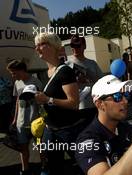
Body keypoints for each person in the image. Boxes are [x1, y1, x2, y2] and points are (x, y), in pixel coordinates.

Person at [75, 75, 132, 175]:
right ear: (99, 104)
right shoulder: (87, 141)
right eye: (117, 97)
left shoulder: (129, 130)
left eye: (126, 95)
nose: (125, 101)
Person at [34, 32, 87, 175]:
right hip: (50, 130)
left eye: (42, 44)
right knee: (54, 168)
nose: (37, 48)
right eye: (36, 45)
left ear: (53, 46)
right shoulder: (47, 72)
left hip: (68, 131)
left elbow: (73, 103)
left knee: (85, 166)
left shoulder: (65, 71)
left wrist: (47, 99)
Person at [6, 60, 42, 175]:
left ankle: (45, 167)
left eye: (14, 73)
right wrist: (15, 119)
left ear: (21, 70)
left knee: (41, 147)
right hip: (21, 122)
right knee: (22, 148)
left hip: (35, 121)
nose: (12, 76)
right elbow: (17, 101)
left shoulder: (36, 81)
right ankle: (24, 170)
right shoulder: (17, 83)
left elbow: (42, 101)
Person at [66, 34, 103, 122]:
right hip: (78, 108)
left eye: (78, 45)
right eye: (73, 46)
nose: (75, 48)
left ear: (84, 46)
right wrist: (76, 82)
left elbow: (101, 83)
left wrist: (88, 76)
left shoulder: (92, 63)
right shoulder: (67, 65)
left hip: (94, 105)